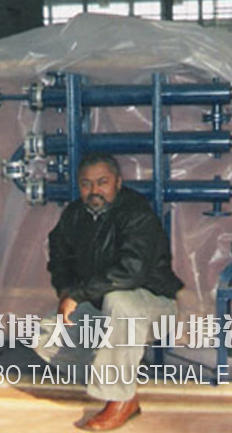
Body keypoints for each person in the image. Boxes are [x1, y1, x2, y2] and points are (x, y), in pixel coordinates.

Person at [34, 153, 183, 431]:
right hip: (102, 306)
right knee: (43, 335)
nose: (94, 190)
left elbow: (131, 271)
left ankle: (119, 400)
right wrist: (66, 292)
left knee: (120, 301)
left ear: (118, 182)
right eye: (86, 184)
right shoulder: (74, 215)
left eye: (102, 182)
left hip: (152, 307)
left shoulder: (136, 213)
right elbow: (59, 261)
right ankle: (121, 381)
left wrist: (77, 295)